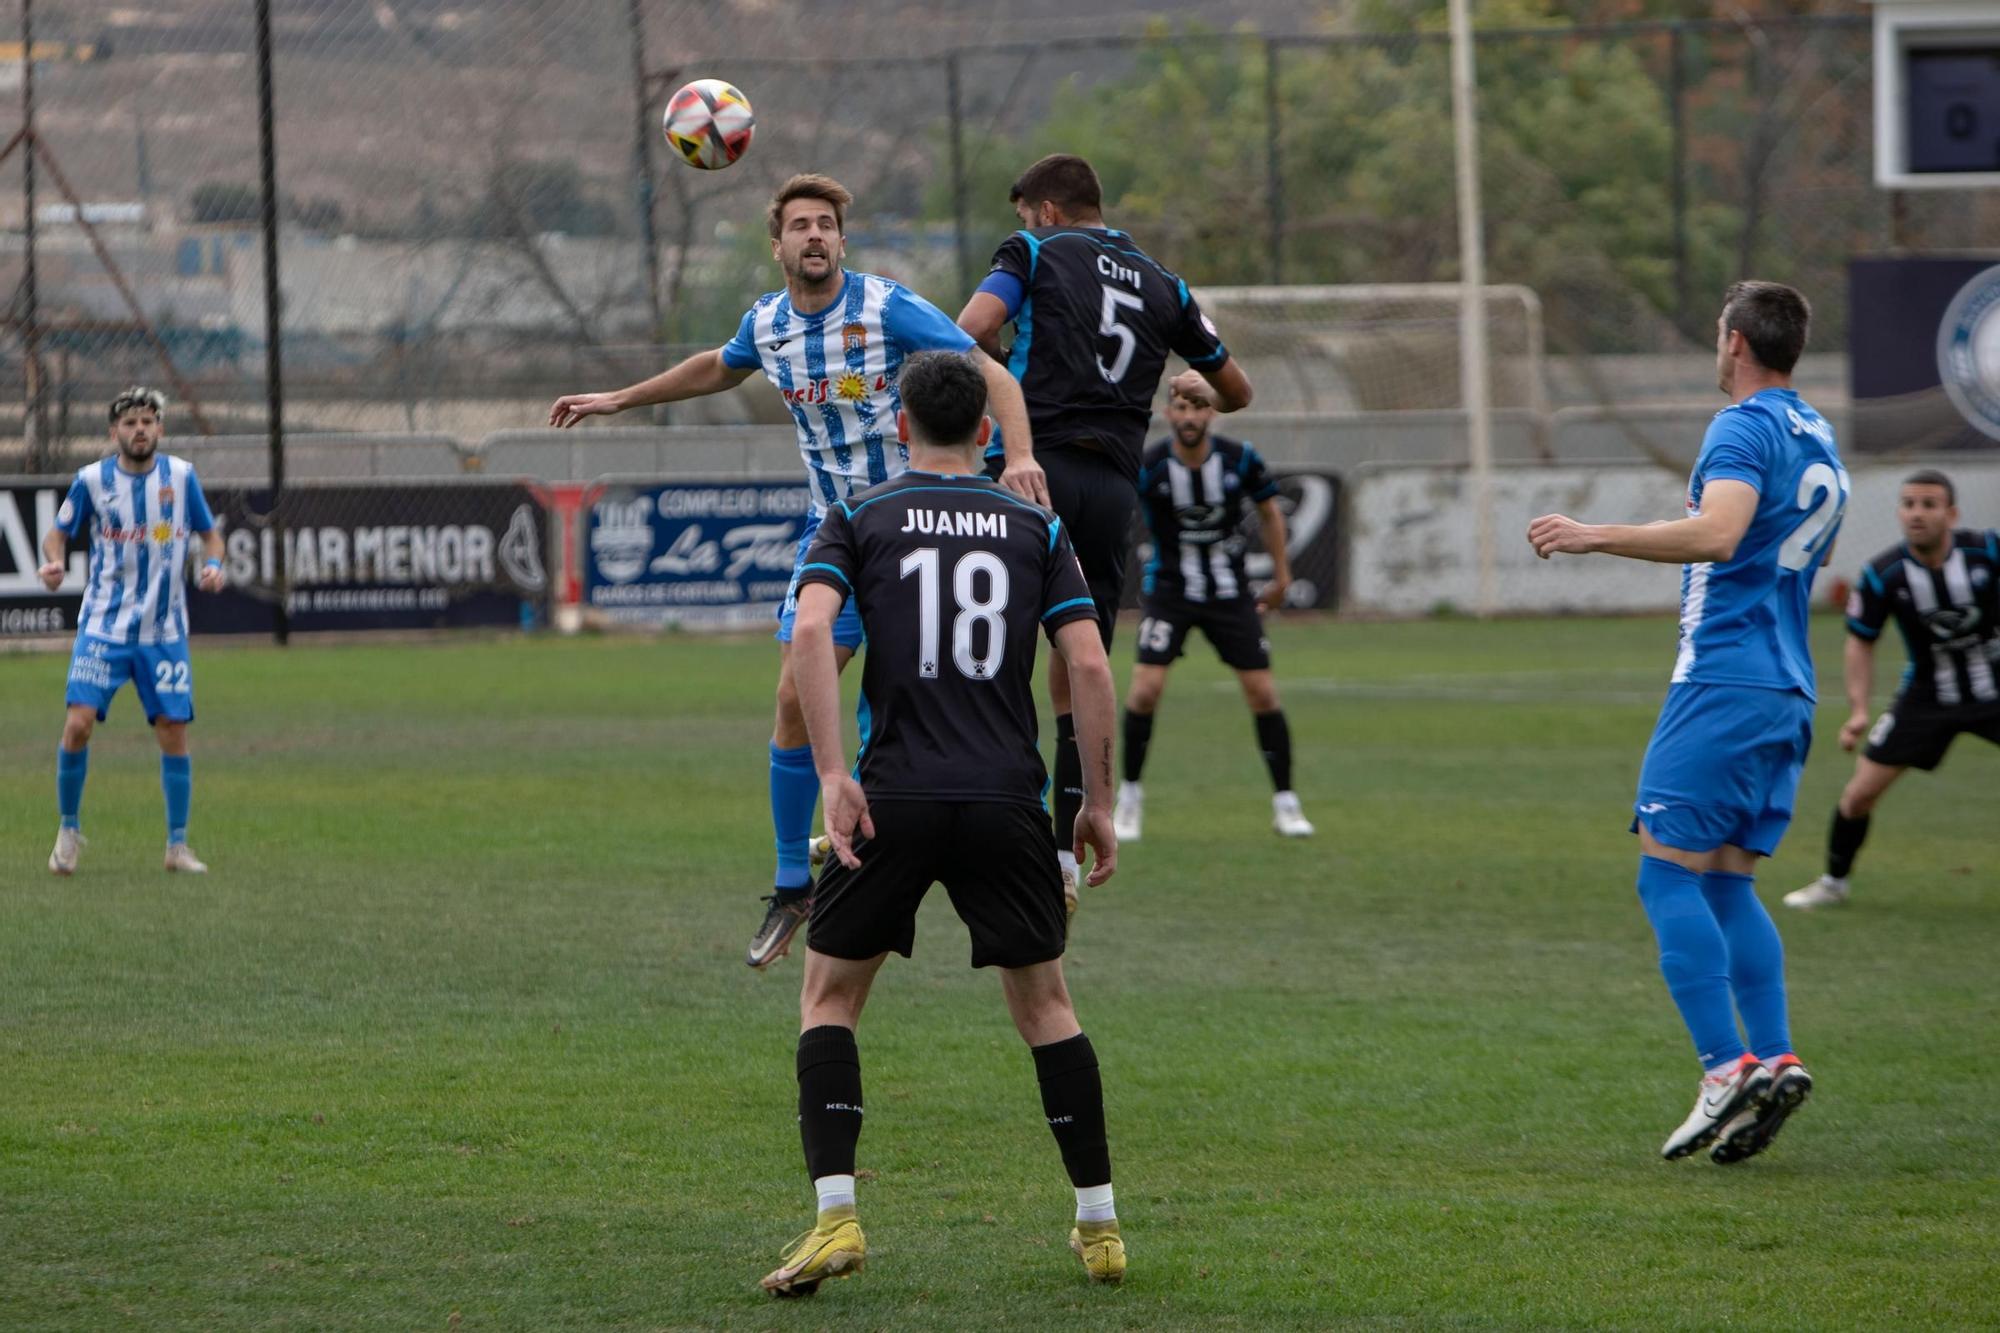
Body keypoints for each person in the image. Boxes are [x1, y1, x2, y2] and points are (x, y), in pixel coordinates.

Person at [549, 174, 1042, 971]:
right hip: (838, 529)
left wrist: (1016, 455)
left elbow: (991, 372)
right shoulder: (769, 325)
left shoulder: (887, 308)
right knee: (792, 692)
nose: (815, 236)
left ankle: (983, 837)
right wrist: (618, 398)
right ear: (776, 246)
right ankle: (790, 883)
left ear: (842, 243)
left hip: (920, 522)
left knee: (930, 691)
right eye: (800, 226)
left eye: (827, 225)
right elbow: (718, 364)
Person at [761, 350, 1124, 1296]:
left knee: (830, 998)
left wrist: (834, 774)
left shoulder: (861, 514)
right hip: (1007, 797)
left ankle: (837, 1216)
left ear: (898, 427)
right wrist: (1095, 804)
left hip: (894, 794)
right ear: (987, 431)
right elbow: (1087, 667)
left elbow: (808, 635)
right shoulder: (1035, 522)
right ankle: (1099, 1223)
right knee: (1047, 1008)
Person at [1527, 281, 1848, 1165]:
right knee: (1726, 883)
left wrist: (1593, 535)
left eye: (1716, 332)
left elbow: (1718, 533)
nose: (1716, 346)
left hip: (1724, 678)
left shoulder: (1742, 426)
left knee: (1664, 878)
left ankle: (1722, 1067)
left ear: (1738, 342)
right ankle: (1776, 1057)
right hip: (1787, 687)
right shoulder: (1814, 432)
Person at [957, 153, 1253, 916]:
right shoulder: (1165, 282)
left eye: (1026, 214)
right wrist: (1192, 383)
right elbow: (1237, 390)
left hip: (1034, 470)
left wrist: (1004, 380)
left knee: (993, 651)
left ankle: (981, 829)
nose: (1023, 225)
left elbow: (971, 330)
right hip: (1113, 485)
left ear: (1046, 210)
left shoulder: (1031, 251)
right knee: (1075, 663)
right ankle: (1060, 850)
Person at [1114, 373, 1313, 841]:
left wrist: (1282, 576)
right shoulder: (1152, 465)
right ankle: (1130, 798)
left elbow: (1269, 511)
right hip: (1170, 590)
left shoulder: (1239, 459)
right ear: (1169, 413)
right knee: (1144, 691)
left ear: (1212, 412)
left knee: (1263, 694)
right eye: (1180, 408)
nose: (1189, 417)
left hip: (1230, 593)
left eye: (1198, 407)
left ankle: (1286, 802)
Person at [1788, 471, 1999, 909]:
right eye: (1909, 504)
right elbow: (1860, 641)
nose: (1917, 514)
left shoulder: (1987, 552)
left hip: (1994, 688)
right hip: (1926, 698)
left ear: (1951, 513)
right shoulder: (1886, 573)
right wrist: (1859, 710)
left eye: (1929, 504)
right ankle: (1833, 882)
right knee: (1859, 794)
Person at [39, 387, 226, 875]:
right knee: (78, 723)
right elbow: (57, 532)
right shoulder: (92, 480)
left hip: (162, 631)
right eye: (129, 423)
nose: (139, 429)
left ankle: (177, 845)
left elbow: (211, 535)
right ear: (113, 432)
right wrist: (54, 562)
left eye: (148, 421)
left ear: (160, 429)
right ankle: (68, 828)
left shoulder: (182, 478)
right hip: (103, 626)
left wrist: (212, 565)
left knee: (173, 730)